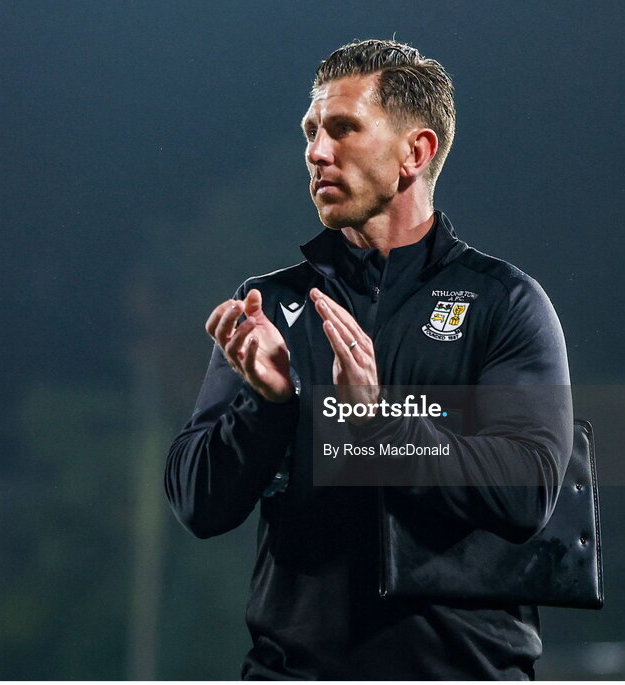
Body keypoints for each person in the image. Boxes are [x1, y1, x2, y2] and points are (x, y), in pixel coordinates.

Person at [165, 39, 573, 679]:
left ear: (416, 151)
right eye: (311, 132)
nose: (317, 152)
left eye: (344, 129)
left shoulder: (506, 303)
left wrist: (379, 424)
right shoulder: (269, 307)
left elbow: (527, 489)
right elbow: (196, 503)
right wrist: (265, 405)